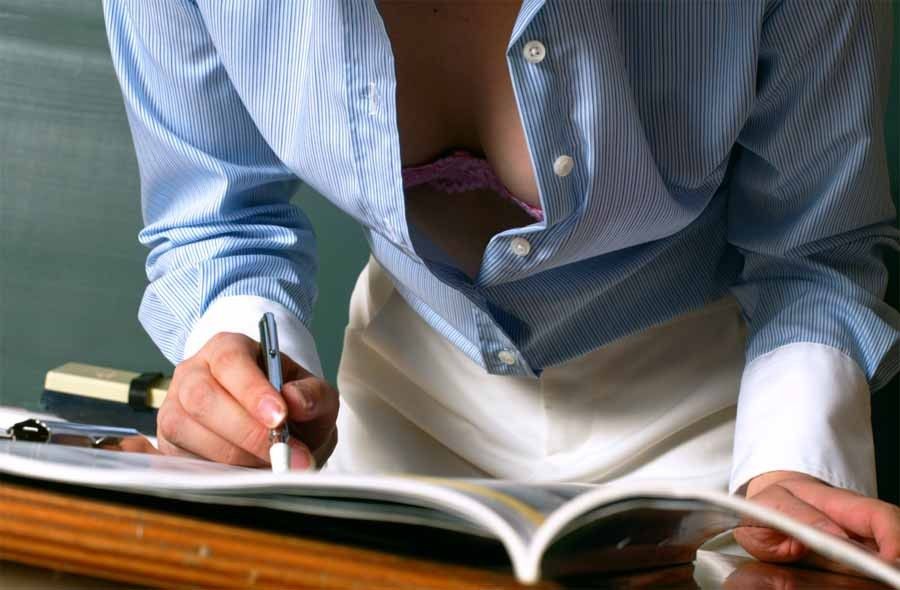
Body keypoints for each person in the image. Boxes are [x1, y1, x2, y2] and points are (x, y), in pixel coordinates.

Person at [103, 0, 900, 564]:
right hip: (396, 421)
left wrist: (793, 459)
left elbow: (812, 249)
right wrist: (244, 364)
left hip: (718, 450)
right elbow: (220, 220)